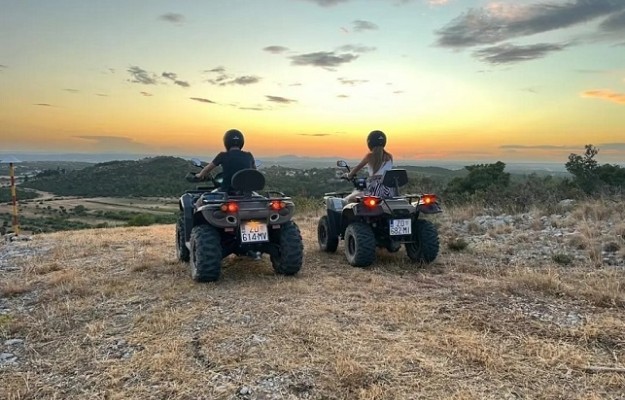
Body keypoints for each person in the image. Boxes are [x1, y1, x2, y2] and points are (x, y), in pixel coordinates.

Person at [344, 130, 396, 202]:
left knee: (349, 199)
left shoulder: (370, 156)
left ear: (370, 142)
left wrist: (349, 175)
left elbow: (357, 168)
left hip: (374, 190)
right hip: (389, 190)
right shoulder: (389, 157)